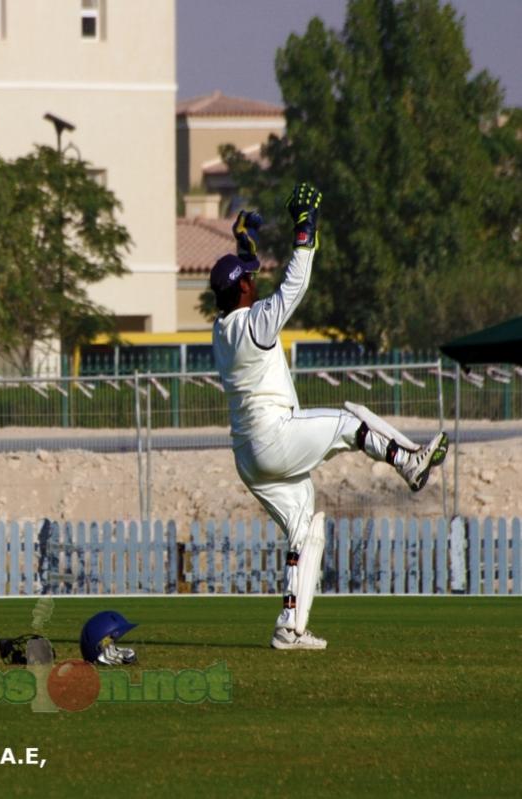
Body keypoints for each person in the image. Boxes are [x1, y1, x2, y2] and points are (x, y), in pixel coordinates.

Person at [210, 183, 448, 651]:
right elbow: (293, 286)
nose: (255, 282)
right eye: (250, 279)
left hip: (249, 457)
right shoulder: (253, 323)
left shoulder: (222, 328)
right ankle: (409, 461)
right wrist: (305, 230)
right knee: (348, 419)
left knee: (307, 528)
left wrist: (245, 245)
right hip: (273, 437)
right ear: (242, 288)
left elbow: (241, 280)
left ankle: (290, 627)